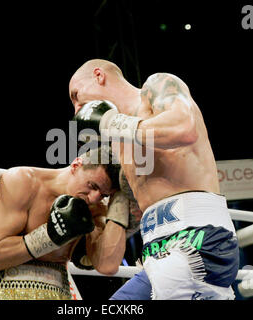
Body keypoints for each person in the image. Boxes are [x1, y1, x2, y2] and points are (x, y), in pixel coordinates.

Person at [70, 59, 239, 300]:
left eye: (76, 96)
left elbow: (185, 128)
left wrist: (109, 121)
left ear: (99, 75)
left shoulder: (156, 87)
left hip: (196, 240)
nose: (77, 109)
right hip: (158, 251)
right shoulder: (118, 141)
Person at [0, 148, 124, 300]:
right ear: (76, 165)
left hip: (57, 293)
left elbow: (107, 266)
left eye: (104, 195)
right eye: (92, 186)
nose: (93, 198)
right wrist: (50, 236)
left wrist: (121, 203)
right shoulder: (24, 181)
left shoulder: (96, 208)